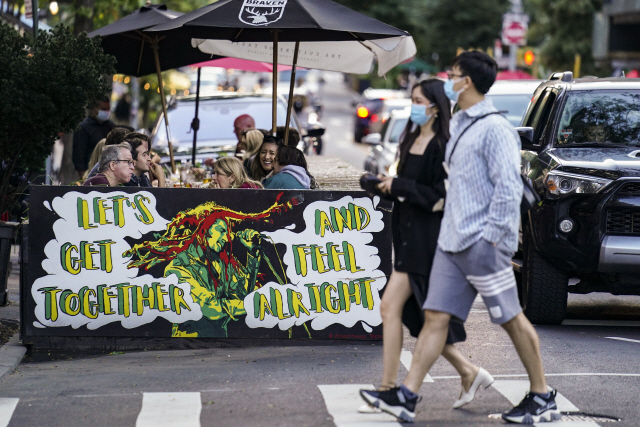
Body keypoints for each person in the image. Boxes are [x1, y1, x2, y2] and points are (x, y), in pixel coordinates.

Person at [360, 51, 560, 424]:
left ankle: (542, 394)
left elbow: (505, 190)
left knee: (511, 319)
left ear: (466, 82)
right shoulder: (463, 124)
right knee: (434, 318)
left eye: (451, 75)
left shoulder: (495, 128)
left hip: (483, 245)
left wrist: (494, 240)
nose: (447, 80)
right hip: (452, 244)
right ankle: (406, 396)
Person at [359, 79, 492, 415]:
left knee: (399, 310)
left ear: (435, 106)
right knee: (420, 318)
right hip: (405, 236)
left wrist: (398, 185)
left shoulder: (444, 145)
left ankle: (391, 388)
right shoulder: (410, 138)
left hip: (429, 240)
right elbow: (405, 187)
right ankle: (468, 372)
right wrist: (383, 186)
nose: (414, 106)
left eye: (419, 100)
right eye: (412, 99)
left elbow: (438, 197)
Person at [73, 96, 117, 179]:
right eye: (103, 109)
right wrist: (84, 180)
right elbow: (79, 156)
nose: (107, 112)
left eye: (108, 109)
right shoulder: (83, 128)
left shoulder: (111, 127)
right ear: (93, 108)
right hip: (90, 174)